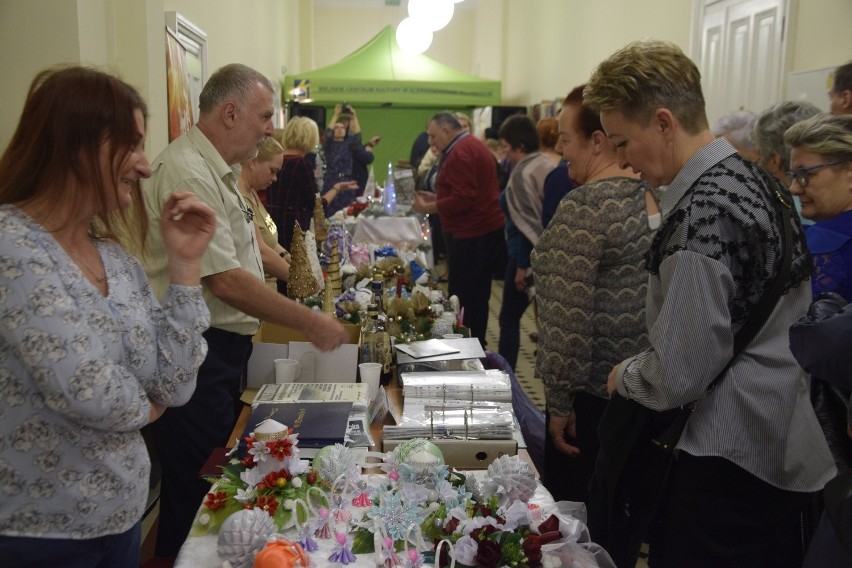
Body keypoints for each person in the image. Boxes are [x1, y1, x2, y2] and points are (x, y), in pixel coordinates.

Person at [584, 40, 834, 567]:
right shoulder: (757, 180)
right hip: (782, 435)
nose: (624, 161)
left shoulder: (702, 213)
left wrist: (625, 375)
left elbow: (679, 374)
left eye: (624, 142)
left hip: (727, 458)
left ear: (664, 122)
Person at [0, 66, 215, 567]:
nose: (144, 166)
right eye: (133, 144)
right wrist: (149, 410)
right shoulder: (13, 247)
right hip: (40, 536)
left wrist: (185, 265)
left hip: (118, 519)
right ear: (80, 145)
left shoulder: (114, 259)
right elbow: (87, 389)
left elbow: (175, 383)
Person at [140, 63, 350, 558]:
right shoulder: (187, 170)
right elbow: (225, 279)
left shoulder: (222, 171)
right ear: (230, 112)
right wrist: (309, 320)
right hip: (196, 353)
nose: (270, 129)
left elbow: (248, 252)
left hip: (219, 350)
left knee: (211, 483)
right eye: (263, 117)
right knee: (199, 493)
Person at [533, 85, 655, 505]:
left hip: (589, 403)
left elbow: (569, 316)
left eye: (566, 138)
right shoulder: (654, 195)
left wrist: (559, 401)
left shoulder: (586, 206)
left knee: (578, 516)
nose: (561, 149)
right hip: (640, 391)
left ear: (598, 142)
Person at [412, 111, 505, 345]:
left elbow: (463, 199)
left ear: (446, 130)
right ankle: (473, 342)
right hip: (478, 232)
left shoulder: (462, 152)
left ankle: (468, 345)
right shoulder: (469, 145)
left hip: (472, 235)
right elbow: (460, 191)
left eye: (433, 136)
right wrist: (436, 196)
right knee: (475, 297)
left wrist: (430, 206)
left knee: (465, 297)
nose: (431, 142)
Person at [266, 117, 357, 291]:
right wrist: (337, 188)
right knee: (295, 279)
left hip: (274, 224)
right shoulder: (301, 163)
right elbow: (317, 205)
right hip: (295, 228)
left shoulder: (278, 158)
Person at [496, 114, 552, 370]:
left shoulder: (522, 172)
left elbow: (524, 225)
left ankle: (504, 375)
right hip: (546, 252)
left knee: (508, 320)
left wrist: (521, 266)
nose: (504, 154)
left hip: (524, 256)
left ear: (520, 145)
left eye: (506, 147)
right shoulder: (546, 163)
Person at [238, 135, 290, 290]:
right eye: (272, 171)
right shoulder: (240, 197)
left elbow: (268, 239)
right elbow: (260, 251)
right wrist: (297, 277)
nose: (274, 178)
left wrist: (286, 256)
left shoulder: (252, 192)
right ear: (253, 162)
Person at [323, 103, 376, 216]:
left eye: (342, 127)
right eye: (336, 127)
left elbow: (358, 137)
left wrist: (354, 117)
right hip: (332, 182)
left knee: (347, 213)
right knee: (330, 214)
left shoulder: (350, 144)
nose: (339, 129)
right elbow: (327, 133)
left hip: (347, 182)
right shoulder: (329, 145)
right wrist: (335, 114)